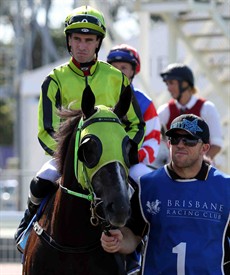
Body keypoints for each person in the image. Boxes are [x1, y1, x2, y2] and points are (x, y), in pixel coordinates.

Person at [15, 5, 145, 244]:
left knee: (146, 182)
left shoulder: (118, 78)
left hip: (113, 159)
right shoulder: (54, 80)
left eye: (88, 39)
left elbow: (137, 125)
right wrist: (69, 157)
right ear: (69, 41)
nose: (82, 45)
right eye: (77, 39)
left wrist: (122, 153)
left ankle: (143, 241)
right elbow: (47, 130)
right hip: (69, 158)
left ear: (98, 43)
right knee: (40, 181)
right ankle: (27, 226)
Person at [101, 114, 230, 275]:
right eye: (175, 139)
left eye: (189, 140)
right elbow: (132, 235)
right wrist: (118, 241)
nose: (180, 145)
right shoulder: (147, 185)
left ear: (204, 148)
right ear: (168, 143)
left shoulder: (226, 187)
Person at [107, 44, 161, 179]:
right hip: (97, 161)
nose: (118, 72)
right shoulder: (96, 95)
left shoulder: (145, 102)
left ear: (133, 71)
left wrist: (135, 156)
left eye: (123, 68)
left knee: (146, 180)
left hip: (132, 165)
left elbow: (152, 141)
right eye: (114, 67)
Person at [157, 63, 223, 164]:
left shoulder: (207, 108)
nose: (168, 88)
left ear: (184, 84)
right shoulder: (165, 110)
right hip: (174, 168)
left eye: (171, 83)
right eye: (167, 84)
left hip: (202, 169)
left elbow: (217, 144)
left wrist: (199, 164)